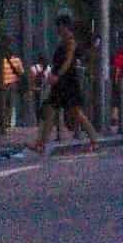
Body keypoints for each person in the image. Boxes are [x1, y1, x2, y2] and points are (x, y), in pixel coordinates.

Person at [35, 14, 96, 156]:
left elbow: (68, 61)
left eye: (59, 26)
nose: (57, 29)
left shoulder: (70, 41)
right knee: (49, 111)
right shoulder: (63, 41)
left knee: (76, 113)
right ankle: (40, 144)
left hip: (67, 83)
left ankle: (94, 139)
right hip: (61, 83)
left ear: (64, 26)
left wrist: (57, 75)